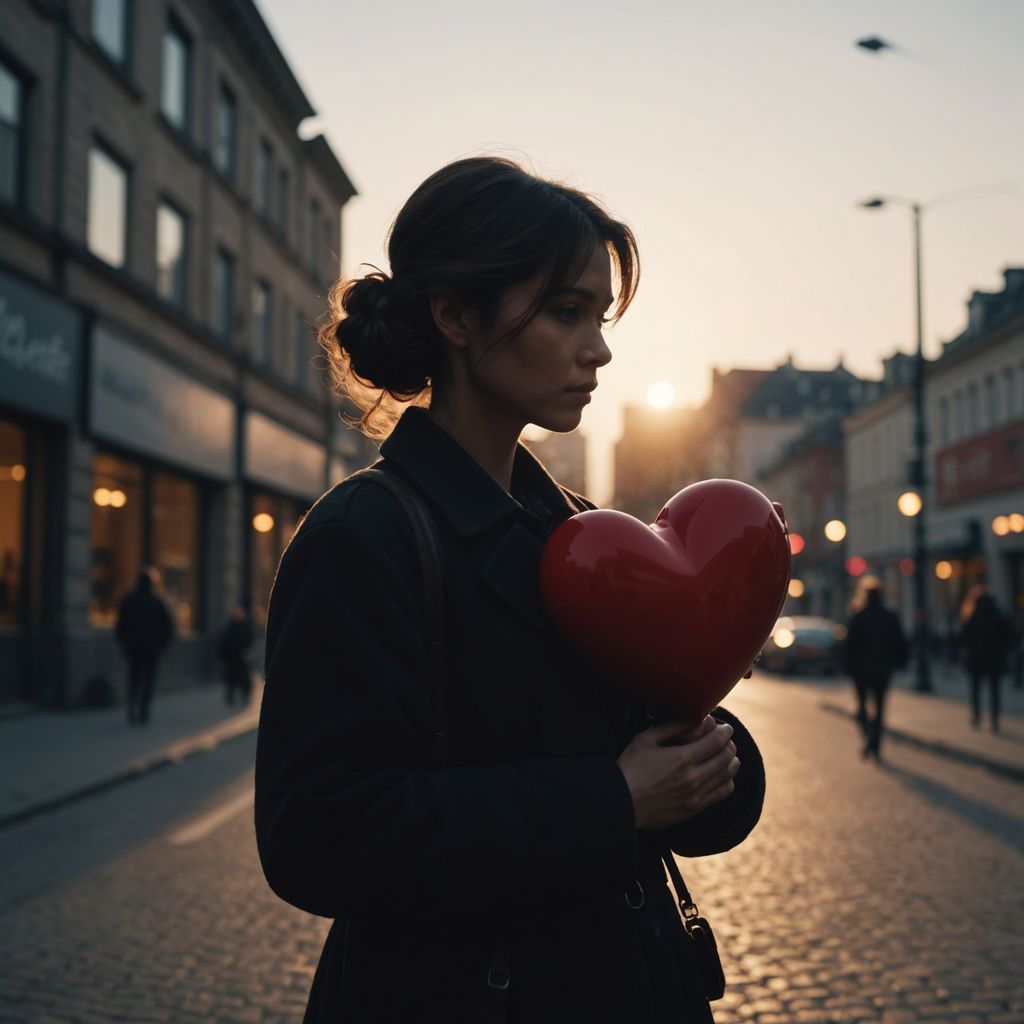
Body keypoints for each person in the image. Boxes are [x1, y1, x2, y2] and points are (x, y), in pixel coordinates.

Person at [255, 156, 766, 1024]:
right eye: (566, 313)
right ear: (455, 315)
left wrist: (715, 758)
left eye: (600, 318)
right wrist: (612, 801)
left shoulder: (583, 534)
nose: (599, 348)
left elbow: (668, 760)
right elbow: (316, 836)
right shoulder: (365, 535)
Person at [843, 578, 908, 760]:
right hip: (883, 670)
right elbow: (900, 643)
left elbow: (849, 646)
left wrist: (847, 667)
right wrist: (899, 663)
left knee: (862, 709)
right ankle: (875, 743)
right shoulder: (890, 617)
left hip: (860, 671)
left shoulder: (858, 617)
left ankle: (869, 739)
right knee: (879, 708)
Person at [115, 567, 173, 725]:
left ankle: (132, 709)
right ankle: (143, 712)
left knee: (134, 679)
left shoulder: (129, 601)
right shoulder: (157, 602)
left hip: (133, 648)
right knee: (148, 681)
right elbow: (167, 627)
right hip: (152, 649)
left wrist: (123, 643)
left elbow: (120, 626)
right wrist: (163, 645)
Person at [960, 587, 1013, 732]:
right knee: (995, 691)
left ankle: (977, 716)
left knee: (976, 690)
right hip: (995, 660)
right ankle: (995, 719)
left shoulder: (973, 618)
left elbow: (964, 639)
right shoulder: (999, 617)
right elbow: (1008, 639)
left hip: (976, 660)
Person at [218, 605, 254, 706]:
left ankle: (245, 696)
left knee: (244, 678)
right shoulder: (229, 628)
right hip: (232, 659)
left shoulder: (245, 628)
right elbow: (223, 644)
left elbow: (249, 641)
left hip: (241, 658)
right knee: (231, 679)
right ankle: (231, 698)